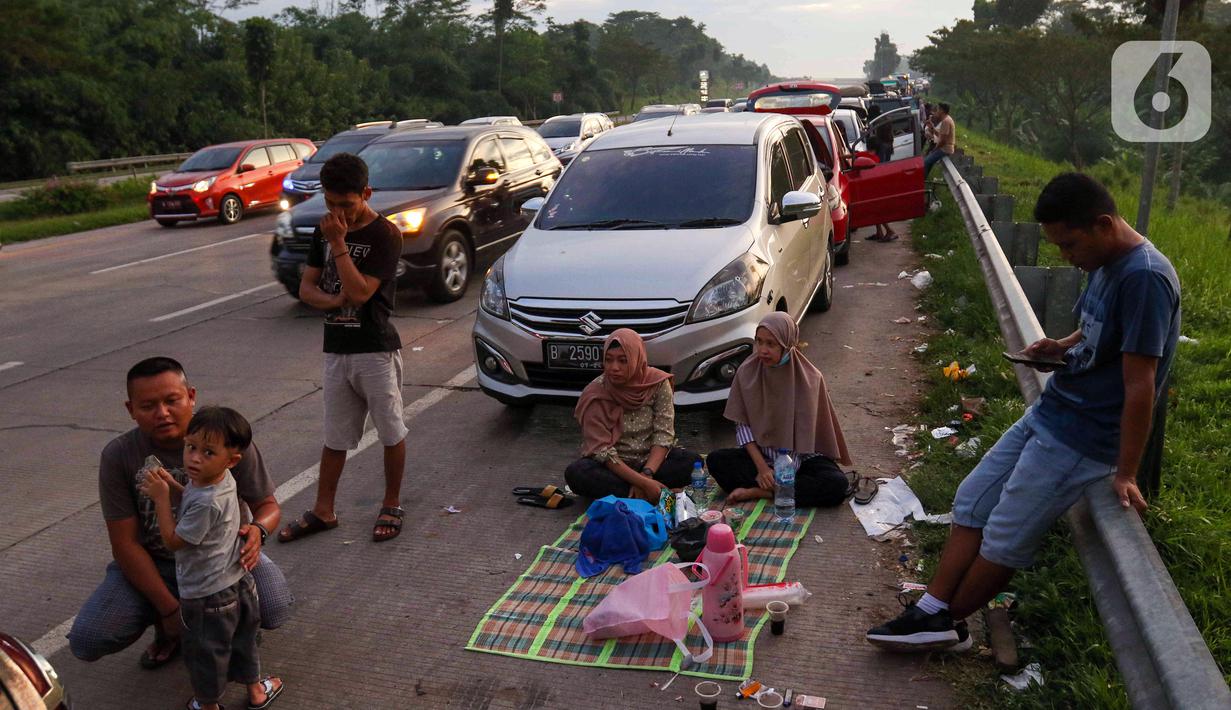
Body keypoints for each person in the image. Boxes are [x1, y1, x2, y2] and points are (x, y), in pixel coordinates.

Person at [866, 173, 1180, 651]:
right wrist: (1063, 344)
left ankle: (949, 623)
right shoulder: (1106, 260)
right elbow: (1100, 327)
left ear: (1103, 224)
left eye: (1070, 244)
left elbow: (1142, 386)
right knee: (972, 500)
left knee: (1004, 535)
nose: (1066, 256)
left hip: (1082, 438)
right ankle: (930, 609)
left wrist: (1126, 472)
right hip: (1053, 410)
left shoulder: (1145, 278)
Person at [68, 357, 292, 668]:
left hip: (225, 559)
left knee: (275, 607)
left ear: (191, 396)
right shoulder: (119, 455)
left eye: (171, 400)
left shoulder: (226, 439)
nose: (162, 413)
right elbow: (125, 544)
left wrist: (259, 530)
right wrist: (170, 612)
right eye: (148, 406)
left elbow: (267, 506)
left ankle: (233, 628)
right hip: (159, 562)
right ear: (131, 409)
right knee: (89, 638)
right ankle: (171, 629)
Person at [280, 153, 409, 544]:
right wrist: (335, 301)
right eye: (331, 203)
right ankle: (324, 509)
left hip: (375, 348)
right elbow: (307, 289)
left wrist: (339, 244)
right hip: (337, 348)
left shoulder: (385, 235)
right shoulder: (323, 231)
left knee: (390, 431)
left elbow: (361, 292)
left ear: (366, 193)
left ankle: (391, 503)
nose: (338, 213)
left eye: (347, 204)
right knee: (335, 437)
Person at [138, 407, 283, 710]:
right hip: (238, 582)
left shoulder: (207, 500)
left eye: (207, 452)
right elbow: (191, 500)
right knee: (244, 639)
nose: (194, 458)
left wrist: (161, 498)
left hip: (207, 594)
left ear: (232, 460)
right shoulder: (218, 479)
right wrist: (172, 484)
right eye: (191, 447)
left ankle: (207, 705)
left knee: (206, 653)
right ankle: (256, 691)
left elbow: (174, 541)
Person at [707, 313, 853, 507]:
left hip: (801, 459)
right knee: (716, 461)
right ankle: (781, 490)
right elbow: (742, 425)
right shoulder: (747, 372)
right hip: (762, 455)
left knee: (837, 484)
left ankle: (762, 492)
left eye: (771, 344)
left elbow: (805, 437)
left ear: (786, 344)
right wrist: (762, 468)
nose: (763, 350)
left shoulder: (809, 379)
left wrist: (784, 472)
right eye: (759, 342)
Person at [566, 329, 702, 501]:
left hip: (651, 463)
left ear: (636, 359)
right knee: (577, 473)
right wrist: (643, 483)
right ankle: (653, 492)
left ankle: (633, 493)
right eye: (609, 360)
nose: (614, 368)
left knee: (691, 462)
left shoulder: (658, 383)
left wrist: (647, 474)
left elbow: (663, 434)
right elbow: (602, 450)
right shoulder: (595, 393)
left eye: (623, 361)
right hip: (614, 466)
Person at [923, 102, 955, 177]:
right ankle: (923, 178)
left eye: (938, 109)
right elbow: (941, 135)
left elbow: (943, 141)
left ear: (942, 111)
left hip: (945, 149)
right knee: (929, 162)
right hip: (944, 148)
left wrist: (935, 149)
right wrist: (932, 128)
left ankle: (922, 179)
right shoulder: (947, 119)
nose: (937, 111)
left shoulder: (946, 121)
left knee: (925, 162)